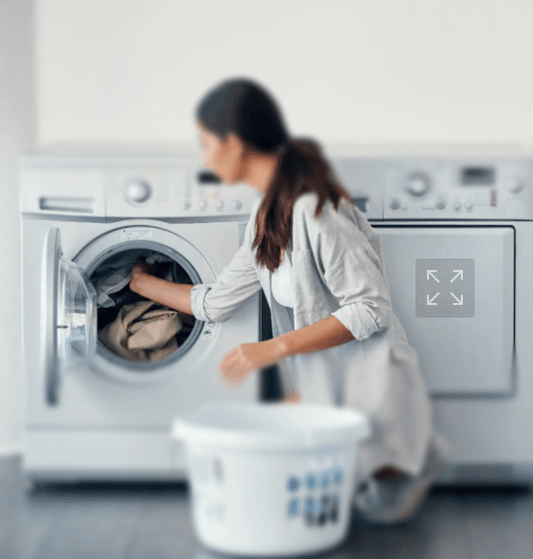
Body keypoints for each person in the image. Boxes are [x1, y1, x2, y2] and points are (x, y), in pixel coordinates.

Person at [129, 77, 451, 524]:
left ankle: (409, 457)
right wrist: (139, 282)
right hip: (328, 392)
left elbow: (371, 308)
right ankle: (387, 463)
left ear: (235, 145)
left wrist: (273, 349)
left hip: (373, 389)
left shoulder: (317, 209)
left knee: (355, 514)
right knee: (269, 485)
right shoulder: (265, 217)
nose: (203, 157)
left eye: (205, 144)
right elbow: (216, 301)